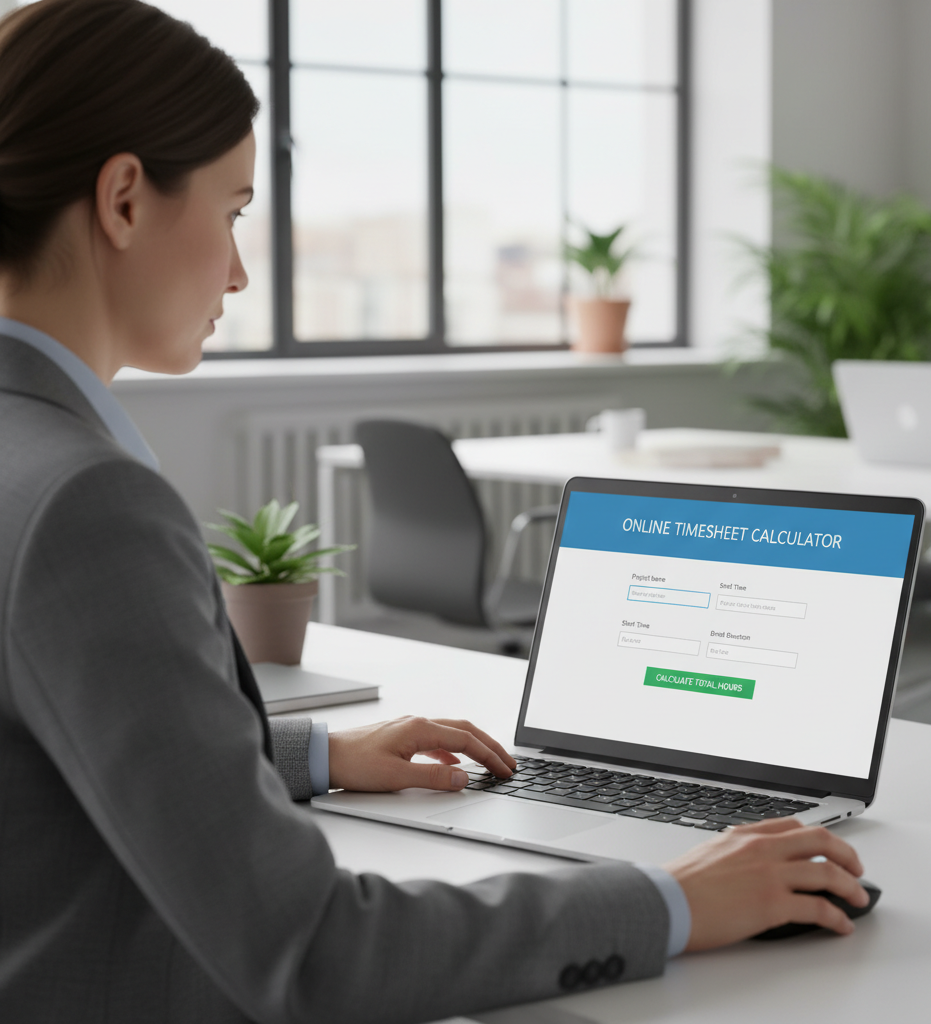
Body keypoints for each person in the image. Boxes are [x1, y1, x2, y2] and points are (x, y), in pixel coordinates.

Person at [0, 2, 871, 1021]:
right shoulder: (90, 502)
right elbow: (311, 950)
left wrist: (318, 755)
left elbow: (57, 748)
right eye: (234, 210)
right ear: (123, 199)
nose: (238, 270)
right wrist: (669, 899)